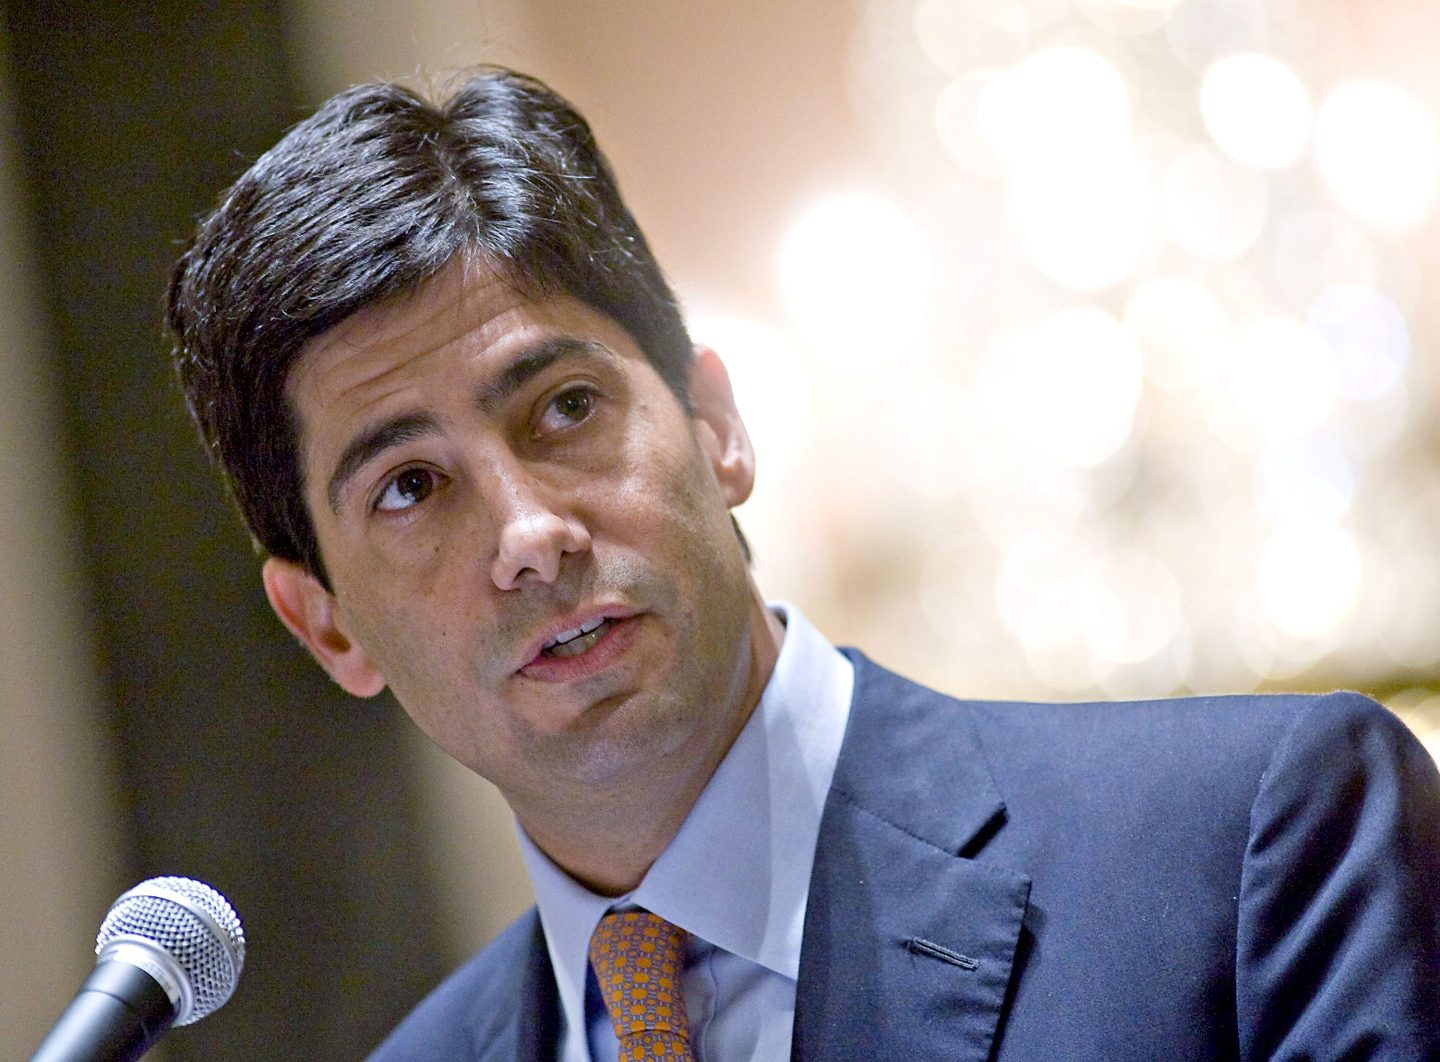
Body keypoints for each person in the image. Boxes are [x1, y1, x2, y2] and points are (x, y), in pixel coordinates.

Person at [166, 67, 1440, 1061]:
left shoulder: (1254, 844)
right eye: (410, 487)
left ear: (715, 424)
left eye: (563, 408)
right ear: (326, 625)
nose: (528, 535)